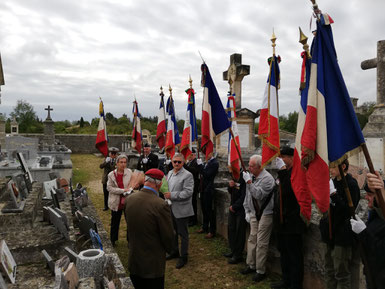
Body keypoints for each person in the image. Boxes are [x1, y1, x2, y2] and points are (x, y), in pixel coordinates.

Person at [125, 168, 174, 289]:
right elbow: (168, 235)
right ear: (160, 184)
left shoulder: (130, 199)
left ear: (145, 181)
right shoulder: (161, 204)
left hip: (134, 257)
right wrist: (171, 248)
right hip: (152, 263)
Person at [319, 159, 360, 289]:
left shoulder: (351, 185)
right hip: (329, 232)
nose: (330, 170)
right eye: (329, 167)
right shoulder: (332, 182)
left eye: (333, 167)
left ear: (343, 166)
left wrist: (334, 195)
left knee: (341, 272)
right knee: (329, 270)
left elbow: (349, 211)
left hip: (342, 234)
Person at [272, 147, 306, 289]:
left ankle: (295, 284)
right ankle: (286, 281)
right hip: (282, 221)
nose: (281, 160)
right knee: (284, 253)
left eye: (284, 156)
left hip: (293, 221)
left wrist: (282, 171)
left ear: (292, 158)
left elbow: (288, 191)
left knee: (294, 256)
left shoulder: (296, 172)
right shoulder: (285, 173)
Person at [241, 154, 275, 282]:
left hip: (265, 213)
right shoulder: (253, 177)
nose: (249, 168)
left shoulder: (267, 179)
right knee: (252, 239)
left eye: (252, 166)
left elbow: (258, 195)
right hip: (254, 213)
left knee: (261, 242)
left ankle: (260, 270)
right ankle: (251, 264)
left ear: (260, 167)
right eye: (249, 165)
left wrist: (249, 182)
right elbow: (248, 196)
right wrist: (247, 210)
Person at [350, 172, 385, 289]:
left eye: (370, 194)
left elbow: (380, 251)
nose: (366, 197)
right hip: (372, 276)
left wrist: (363, 233)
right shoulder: (375, 215)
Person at [164, 153, 194, 269]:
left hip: (182, 208)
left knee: (183, 233)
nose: (176, 164)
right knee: (173, 232)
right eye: (174, 161)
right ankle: (174, 251)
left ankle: (184, 256)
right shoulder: (170, 172)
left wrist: (172, 195)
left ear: (183, 162)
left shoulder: (188, 175)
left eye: (179, 162)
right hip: (170, 207)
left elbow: (188, 192)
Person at [107, 154, 132, 247]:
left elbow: (132, 184)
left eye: (125, 162)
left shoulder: (129, 172)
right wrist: (122, 191)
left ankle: (130, 241)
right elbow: (109, 188)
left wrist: (130, 189)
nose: (123, 164)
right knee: (115, 222)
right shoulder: (111, 174)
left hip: (127, 201)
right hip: (116, 201)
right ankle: (113, 240)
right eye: (121, 162)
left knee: (130, 222)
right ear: (117, 163)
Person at [224, 171, 246, 265]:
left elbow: (244, 195)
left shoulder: (243, 177)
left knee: (239, 232)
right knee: (231, 229)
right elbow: (230, 191)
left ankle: (238, 255)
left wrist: (235, 206)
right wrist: (230, 186)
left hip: (240, 209)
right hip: (232, 207)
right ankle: (233, 250)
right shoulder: (233, 175)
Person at [197, 152, 219, 239]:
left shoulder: (214, 163)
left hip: (208, 190)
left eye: (207, 152)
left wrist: (200, 166)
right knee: (204, 209)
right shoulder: (207, 162)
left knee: (209, 211)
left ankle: (212, 230)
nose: (205, 154)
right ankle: (204, 227)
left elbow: (207, 174)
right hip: (203, 188)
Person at [184, 148, 203, 226]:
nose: (189, 156)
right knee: (188, 202)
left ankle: (193, 220)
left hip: (194, 184)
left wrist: (184, 165)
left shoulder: (195, 162)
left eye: (190, 155)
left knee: (192, 202)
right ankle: (189, 218)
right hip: (188, 184)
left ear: (194, 155)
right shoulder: (189, 162)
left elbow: (194, 172)